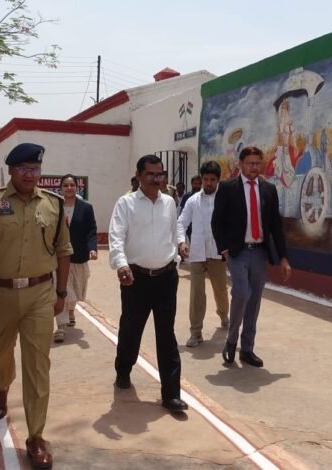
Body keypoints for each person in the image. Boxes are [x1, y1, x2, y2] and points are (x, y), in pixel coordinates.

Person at [0, 143, 72, 469]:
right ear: (11, 170)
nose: (29, 175)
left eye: (35, 169)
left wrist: (61, 292)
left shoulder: (53, 205)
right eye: (23, 168)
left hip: (40, 294)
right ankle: (2, 386)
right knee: (0, 352)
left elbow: (64, 251)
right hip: (0, 293)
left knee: (38, 364)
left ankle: (36, 436)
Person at [109, 154, 187, 413]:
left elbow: (173, 232)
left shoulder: (169, 203)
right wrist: (121, 264)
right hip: (136, 279)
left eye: (159, 174)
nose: (156, 179)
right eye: (150, 174)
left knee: (166, 334)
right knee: (131, 329)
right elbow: (116, 236)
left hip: (166, 278)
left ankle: (171, 394)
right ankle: (123, 369)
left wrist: (177, 254)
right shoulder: (126, 204)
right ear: (139, 176)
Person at [211, 145, 292, 368]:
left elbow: (276, 226)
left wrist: (283, 257)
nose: (254, 167)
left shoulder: (269, 190)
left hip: (260, 252)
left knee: (254, 299)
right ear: (241, 164)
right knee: (241, 293)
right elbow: (217, 222)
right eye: (250, 163)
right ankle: (231, 341)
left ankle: (247, 349)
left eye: (257, 163)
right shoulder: (228, 188)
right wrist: (224, 249)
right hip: (237, 252)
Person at [177, 161, 229, 347]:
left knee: (220, 290)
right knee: (197, 293)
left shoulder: (224, 199)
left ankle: (224, 315)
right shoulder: (193, 201)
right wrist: (181, 241)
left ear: (218, 180)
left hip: (218, 253)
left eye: (212, 180)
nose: (208, 183)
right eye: (205, 179)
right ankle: (196, 332)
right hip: (197, 253)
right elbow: (181, 222)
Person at [53, 174, 98, 343]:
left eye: (72, 185)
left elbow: (91, 230)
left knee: (77, 290)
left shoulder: (86, 208)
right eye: (66, 185)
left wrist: (92, 249)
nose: (69, 188)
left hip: (79, 256)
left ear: (77, 188)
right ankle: (61, 326)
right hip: (59, 257)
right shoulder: (55, 206)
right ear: (61, 188)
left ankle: (71, 310)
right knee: (61, 289)